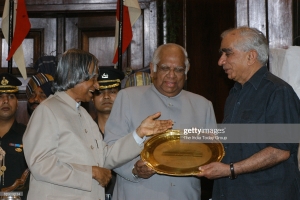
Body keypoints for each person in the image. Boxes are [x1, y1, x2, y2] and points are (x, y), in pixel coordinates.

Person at [23, 48, 173, 200]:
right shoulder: (47, 110)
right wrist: (91, 172)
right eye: (93, 79)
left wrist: (139, 133)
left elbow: (104, 157)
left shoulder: (83, 114)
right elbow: (40, 164)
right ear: (73, 76)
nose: (97, 86)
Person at [197, 27, 300, 199]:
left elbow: (280, 150)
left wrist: (230, 169)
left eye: (227, 53)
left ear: (251, 56)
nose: (220, 61)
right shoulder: (235, 93)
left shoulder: (278, 92)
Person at [104, 43, 216, 200]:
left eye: (178, 70)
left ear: (186, 73)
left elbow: (211, 152)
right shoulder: (128, 98)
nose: (171, 75)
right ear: (152, 69)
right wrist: (134, 170)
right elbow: (110, 148)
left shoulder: (203, 106)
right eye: (165, 68)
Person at [92, 66, 124, 199]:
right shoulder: (83, 130)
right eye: (99, 92)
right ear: (91, 97)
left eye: (112, 91)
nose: (106, 97)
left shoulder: (132, 132)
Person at [0, 73, 28, 199]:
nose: (5, 101)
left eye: (11, 96)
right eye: (0, 96)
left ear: (17, 104)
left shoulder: (28, 135)